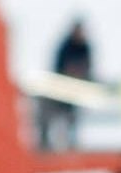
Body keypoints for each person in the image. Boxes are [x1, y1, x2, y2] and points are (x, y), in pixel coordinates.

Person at [39, 18, 94, 152]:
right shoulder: (65, 46)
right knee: (50, 116)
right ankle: (45, 143)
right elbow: (58, 67)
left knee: (72, 119)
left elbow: (88, 68)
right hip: (60, 88)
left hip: (77, 89)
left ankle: (71, 143)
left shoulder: (85, 47)